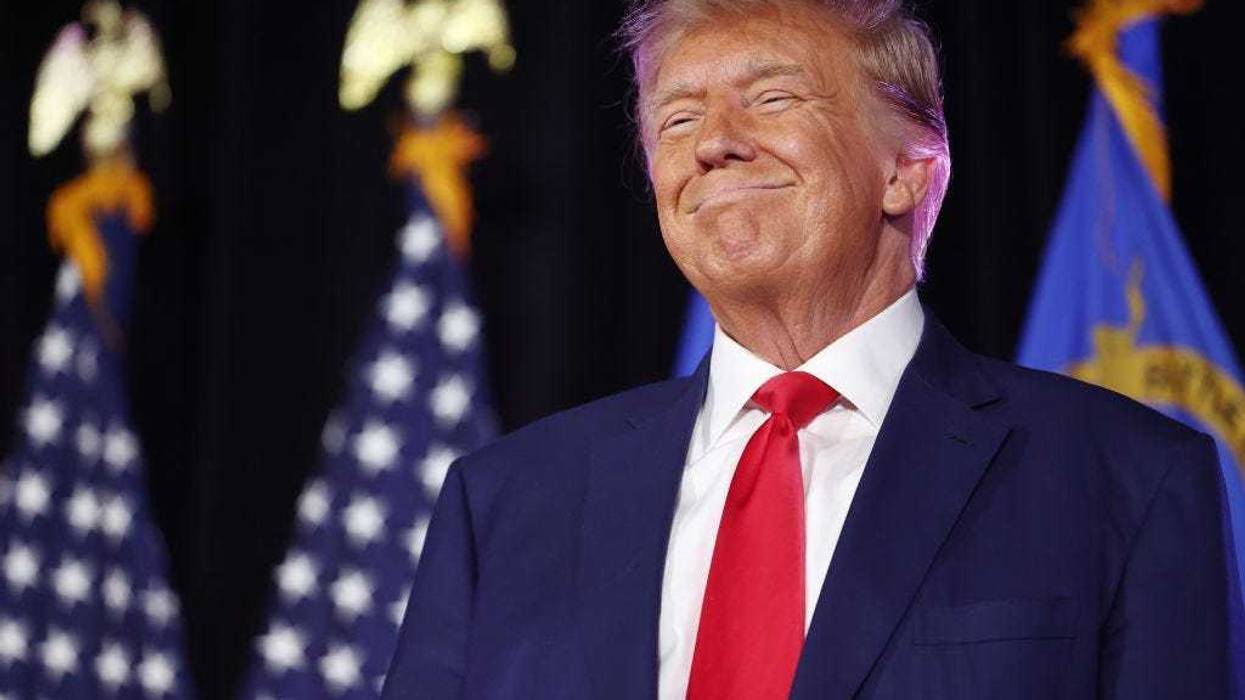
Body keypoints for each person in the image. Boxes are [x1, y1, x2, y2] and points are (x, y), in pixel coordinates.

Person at [382, 1, 1237, 697]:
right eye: (675, 117)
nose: (712, 141)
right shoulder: (503, 502)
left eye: (772, 98)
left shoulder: (1125, 474)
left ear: (906, 166)